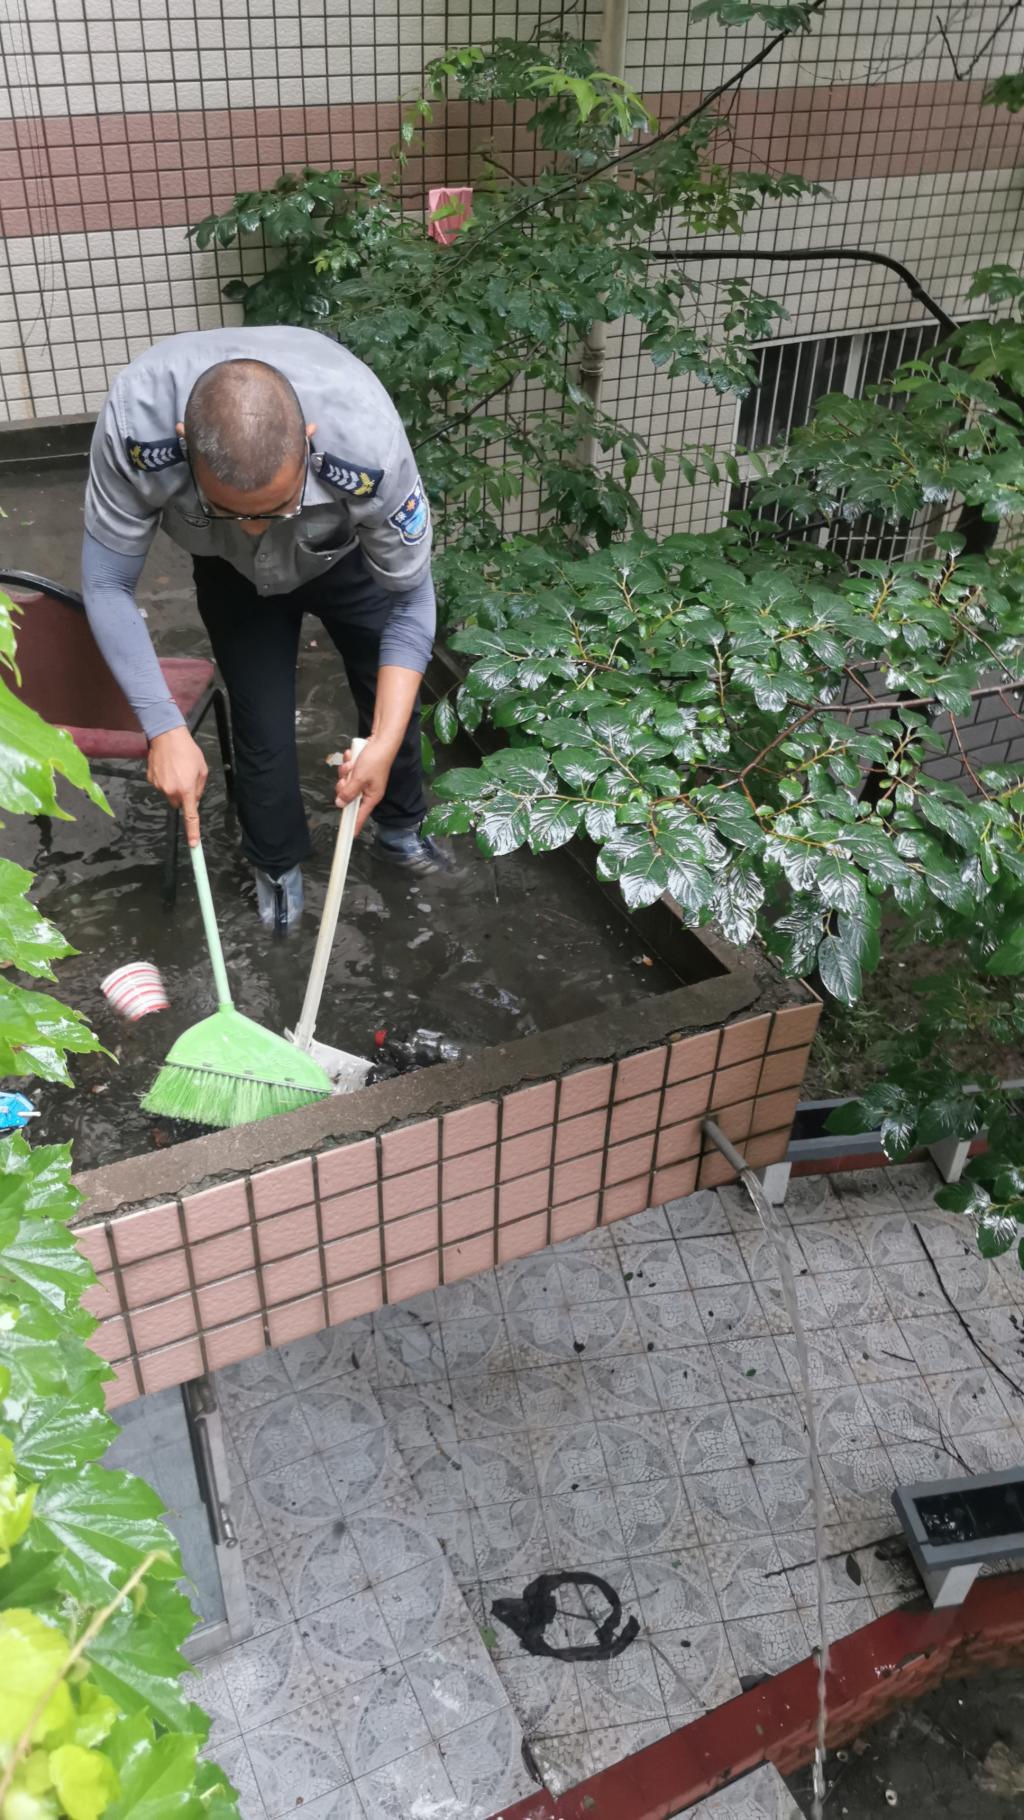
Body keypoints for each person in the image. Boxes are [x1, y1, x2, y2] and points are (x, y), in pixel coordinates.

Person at [81, 325, 448, 933]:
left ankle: (401, 828)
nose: (256, 531)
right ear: (184, 445)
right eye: (230, 510)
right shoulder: (135, 427)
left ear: (309, 441)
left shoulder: (365, 442)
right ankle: (276, 868)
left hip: (341, 555)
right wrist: (163, 728)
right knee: (261, 720)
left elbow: (411, 600)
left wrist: (382, 739)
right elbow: (106, 583)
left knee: (386, 697)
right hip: (228, 573)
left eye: (274, 509)